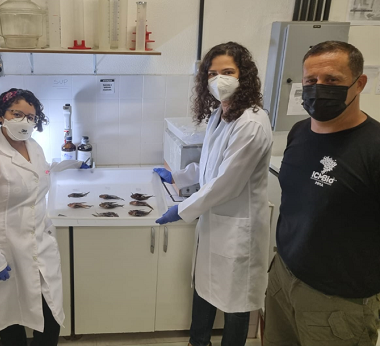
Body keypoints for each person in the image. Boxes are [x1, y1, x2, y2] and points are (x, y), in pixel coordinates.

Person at [154, 42, 273, 346]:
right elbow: (211, 167)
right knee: (204, 289)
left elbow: (226, 183)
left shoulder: (252, 123)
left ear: (243, 75)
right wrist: (179, 176)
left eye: (228, 72)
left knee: (236, 303)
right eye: (212, 73)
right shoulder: (221, 115)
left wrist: (180, 210)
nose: (219, 79)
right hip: (215, 222)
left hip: (238, 229)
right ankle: (199, 342)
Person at [264, 41, 380, 345]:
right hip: (283, 278)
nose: (319, 88)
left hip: (336, 304)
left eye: (332, 80)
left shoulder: (374, 148)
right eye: (311, 81)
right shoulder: (299, 132)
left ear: (359, 83)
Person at [0, 89, 89, 346]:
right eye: (16, 114)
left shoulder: (34, 146)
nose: (24, 121)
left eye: (31, 117)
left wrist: (69, 164)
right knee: (12, 324)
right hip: (6, 251)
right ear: (1, 115)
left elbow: (37, 177)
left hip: (40, 243)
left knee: (50, 318)